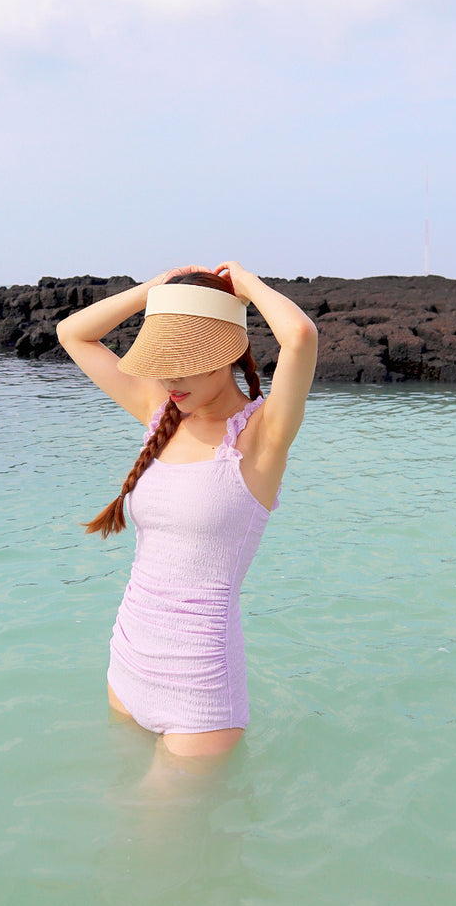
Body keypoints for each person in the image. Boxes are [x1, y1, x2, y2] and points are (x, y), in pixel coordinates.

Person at [56, 261, 318, 763]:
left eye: (186, 359)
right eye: (162, 358)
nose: (169, 376)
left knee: (155, 837)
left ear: (228, 352)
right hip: (127, 661)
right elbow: (73, 334)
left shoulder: (260, 438)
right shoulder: (162, 412)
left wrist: (244, 285)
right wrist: (158, 290)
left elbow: (300, 337)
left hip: (198, 689)